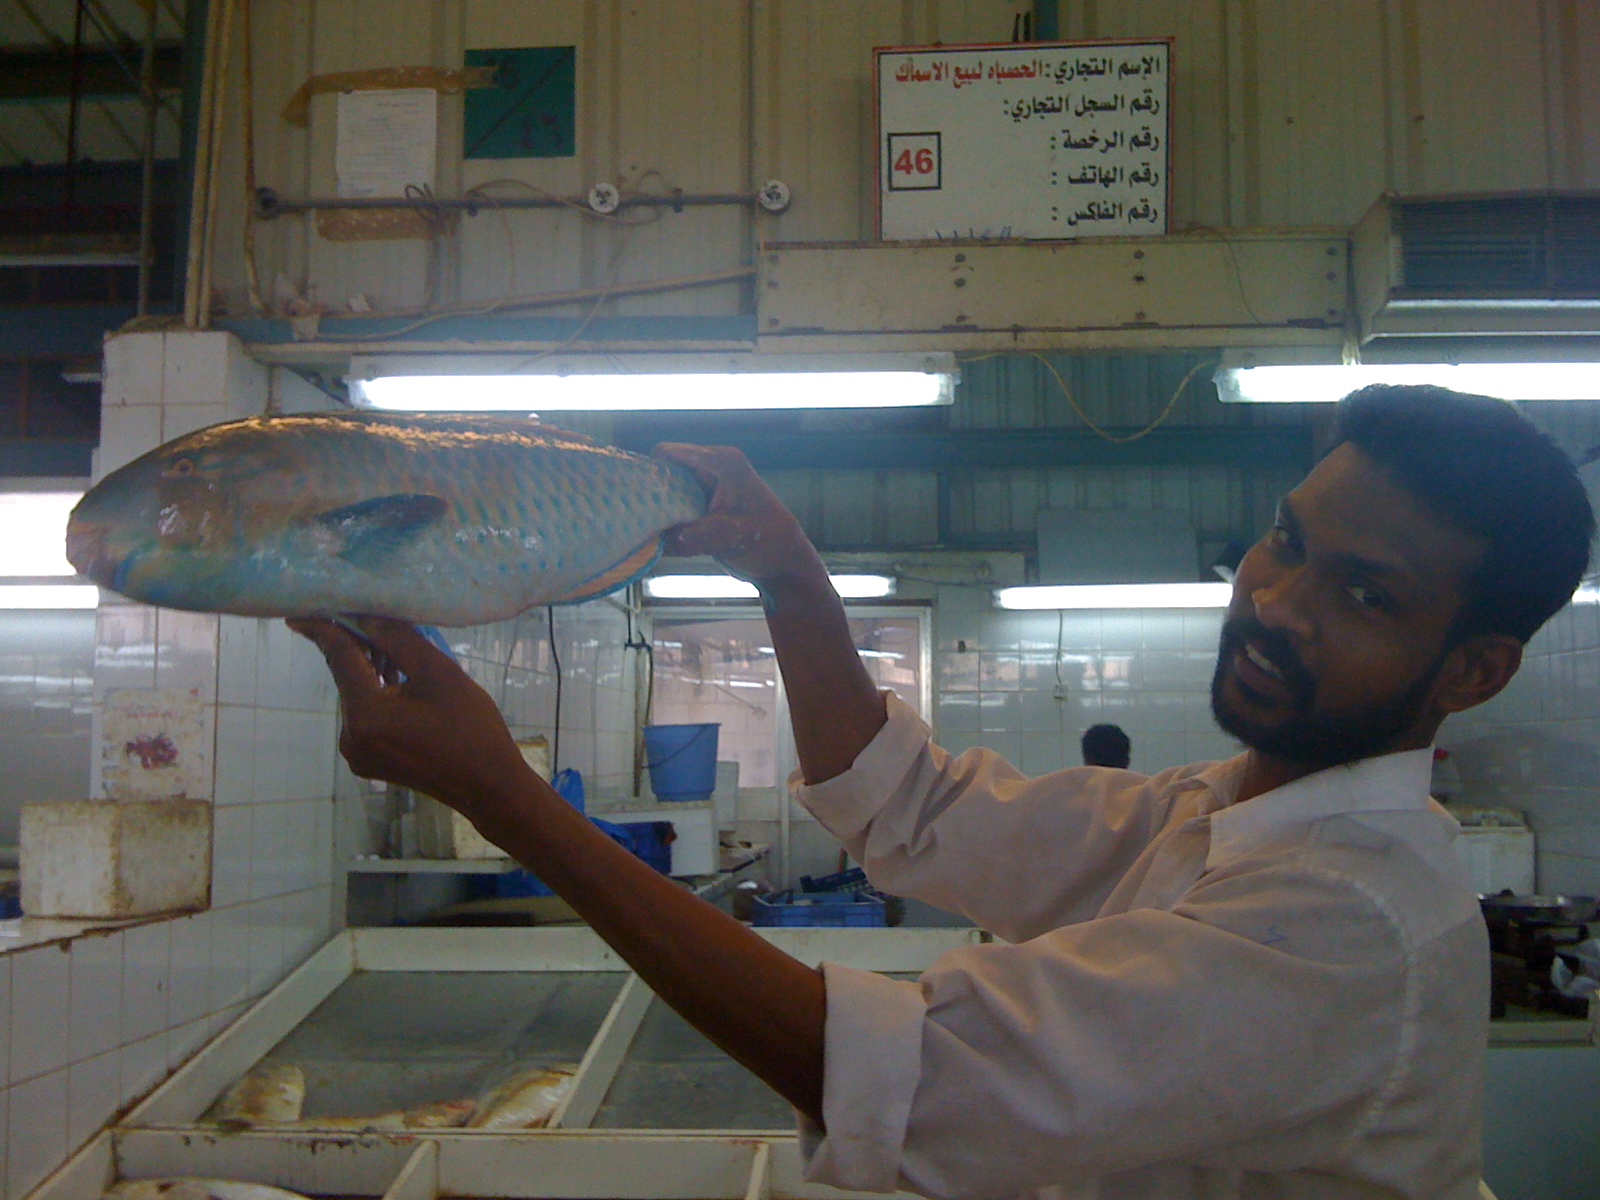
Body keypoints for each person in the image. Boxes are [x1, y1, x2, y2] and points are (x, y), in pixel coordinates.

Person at [291, 384, 1593, 1200]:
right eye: (1287, 544)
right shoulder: (1212, 811)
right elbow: (922, 812)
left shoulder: (1355, 919)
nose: (1276, 604)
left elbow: (902, 1080)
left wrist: (506, 799)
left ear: (1474, 667)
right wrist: (791, 579)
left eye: (1363, 594)